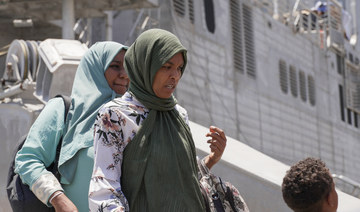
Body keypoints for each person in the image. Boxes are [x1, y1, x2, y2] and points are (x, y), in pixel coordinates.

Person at [88, 28, 227, 211]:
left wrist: (213, 158)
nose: (175, 76)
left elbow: (184, 177)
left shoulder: (178, 114)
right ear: (145, 65)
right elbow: (104, 185)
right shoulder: (115, 115)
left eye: (179, 68)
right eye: (166, 66)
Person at [15, 41, 129, 212]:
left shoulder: (131, 118)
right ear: (95, 68)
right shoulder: (64, 110)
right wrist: (57, 198)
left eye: (128, 67)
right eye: (115, 66)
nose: (124, 74)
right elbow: (27, 160)